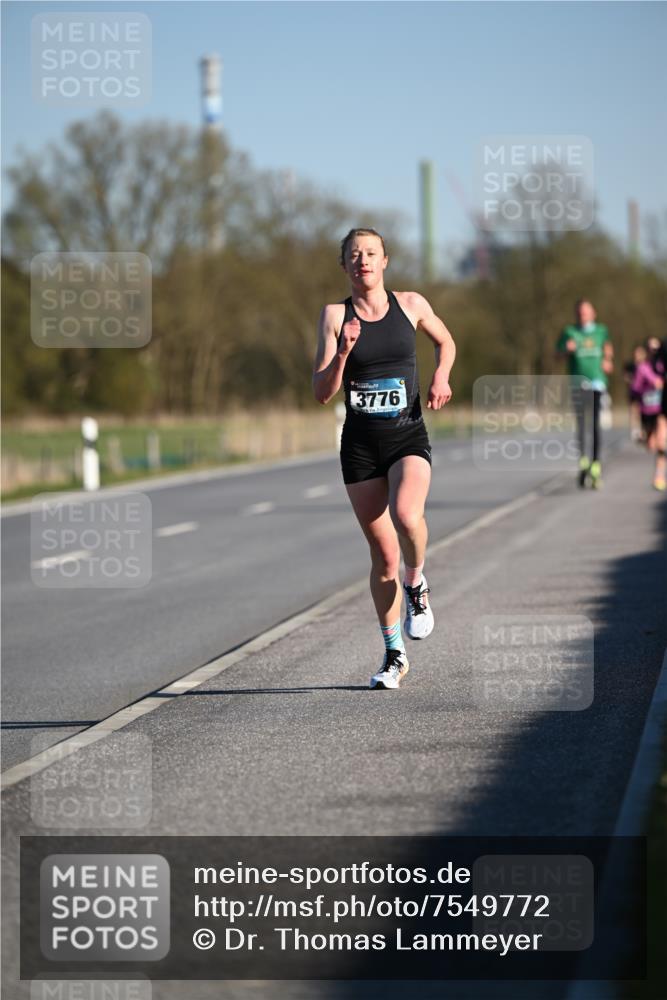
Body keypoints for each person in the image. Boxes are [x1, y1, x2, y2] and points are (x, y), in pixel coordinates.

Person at [313, 228, 455, 689]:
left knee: (406, 514)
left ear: (385, 261)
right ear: (344, 266)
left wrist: (440, 377)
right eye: (354, 255)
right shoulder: (335, 316)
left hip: (406, 436)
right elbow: (320, 392)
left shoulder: (411, 304)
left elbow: (445, 342)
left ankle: (418, 583)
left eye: (370, 253)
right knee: (382, 557)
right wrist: (344, 354)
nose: (363, 261)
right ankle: (394, 654)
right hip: (359, 447)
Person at [555, 299, 614, 489]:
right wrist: (567, 350)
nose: (583, 315)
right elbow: (557, 355)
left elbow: (607, 347)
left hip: (596, 382)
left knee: (595, 424)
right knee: (581, 425)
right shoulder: (569, 332)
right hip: (578, 383)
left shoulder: (601, 331)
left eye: (586, 312)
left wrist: (607, 360)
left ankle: (595, 464)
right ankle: (583, 462)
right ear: (576, 314)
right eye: (580, 312)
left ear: (593, 313)